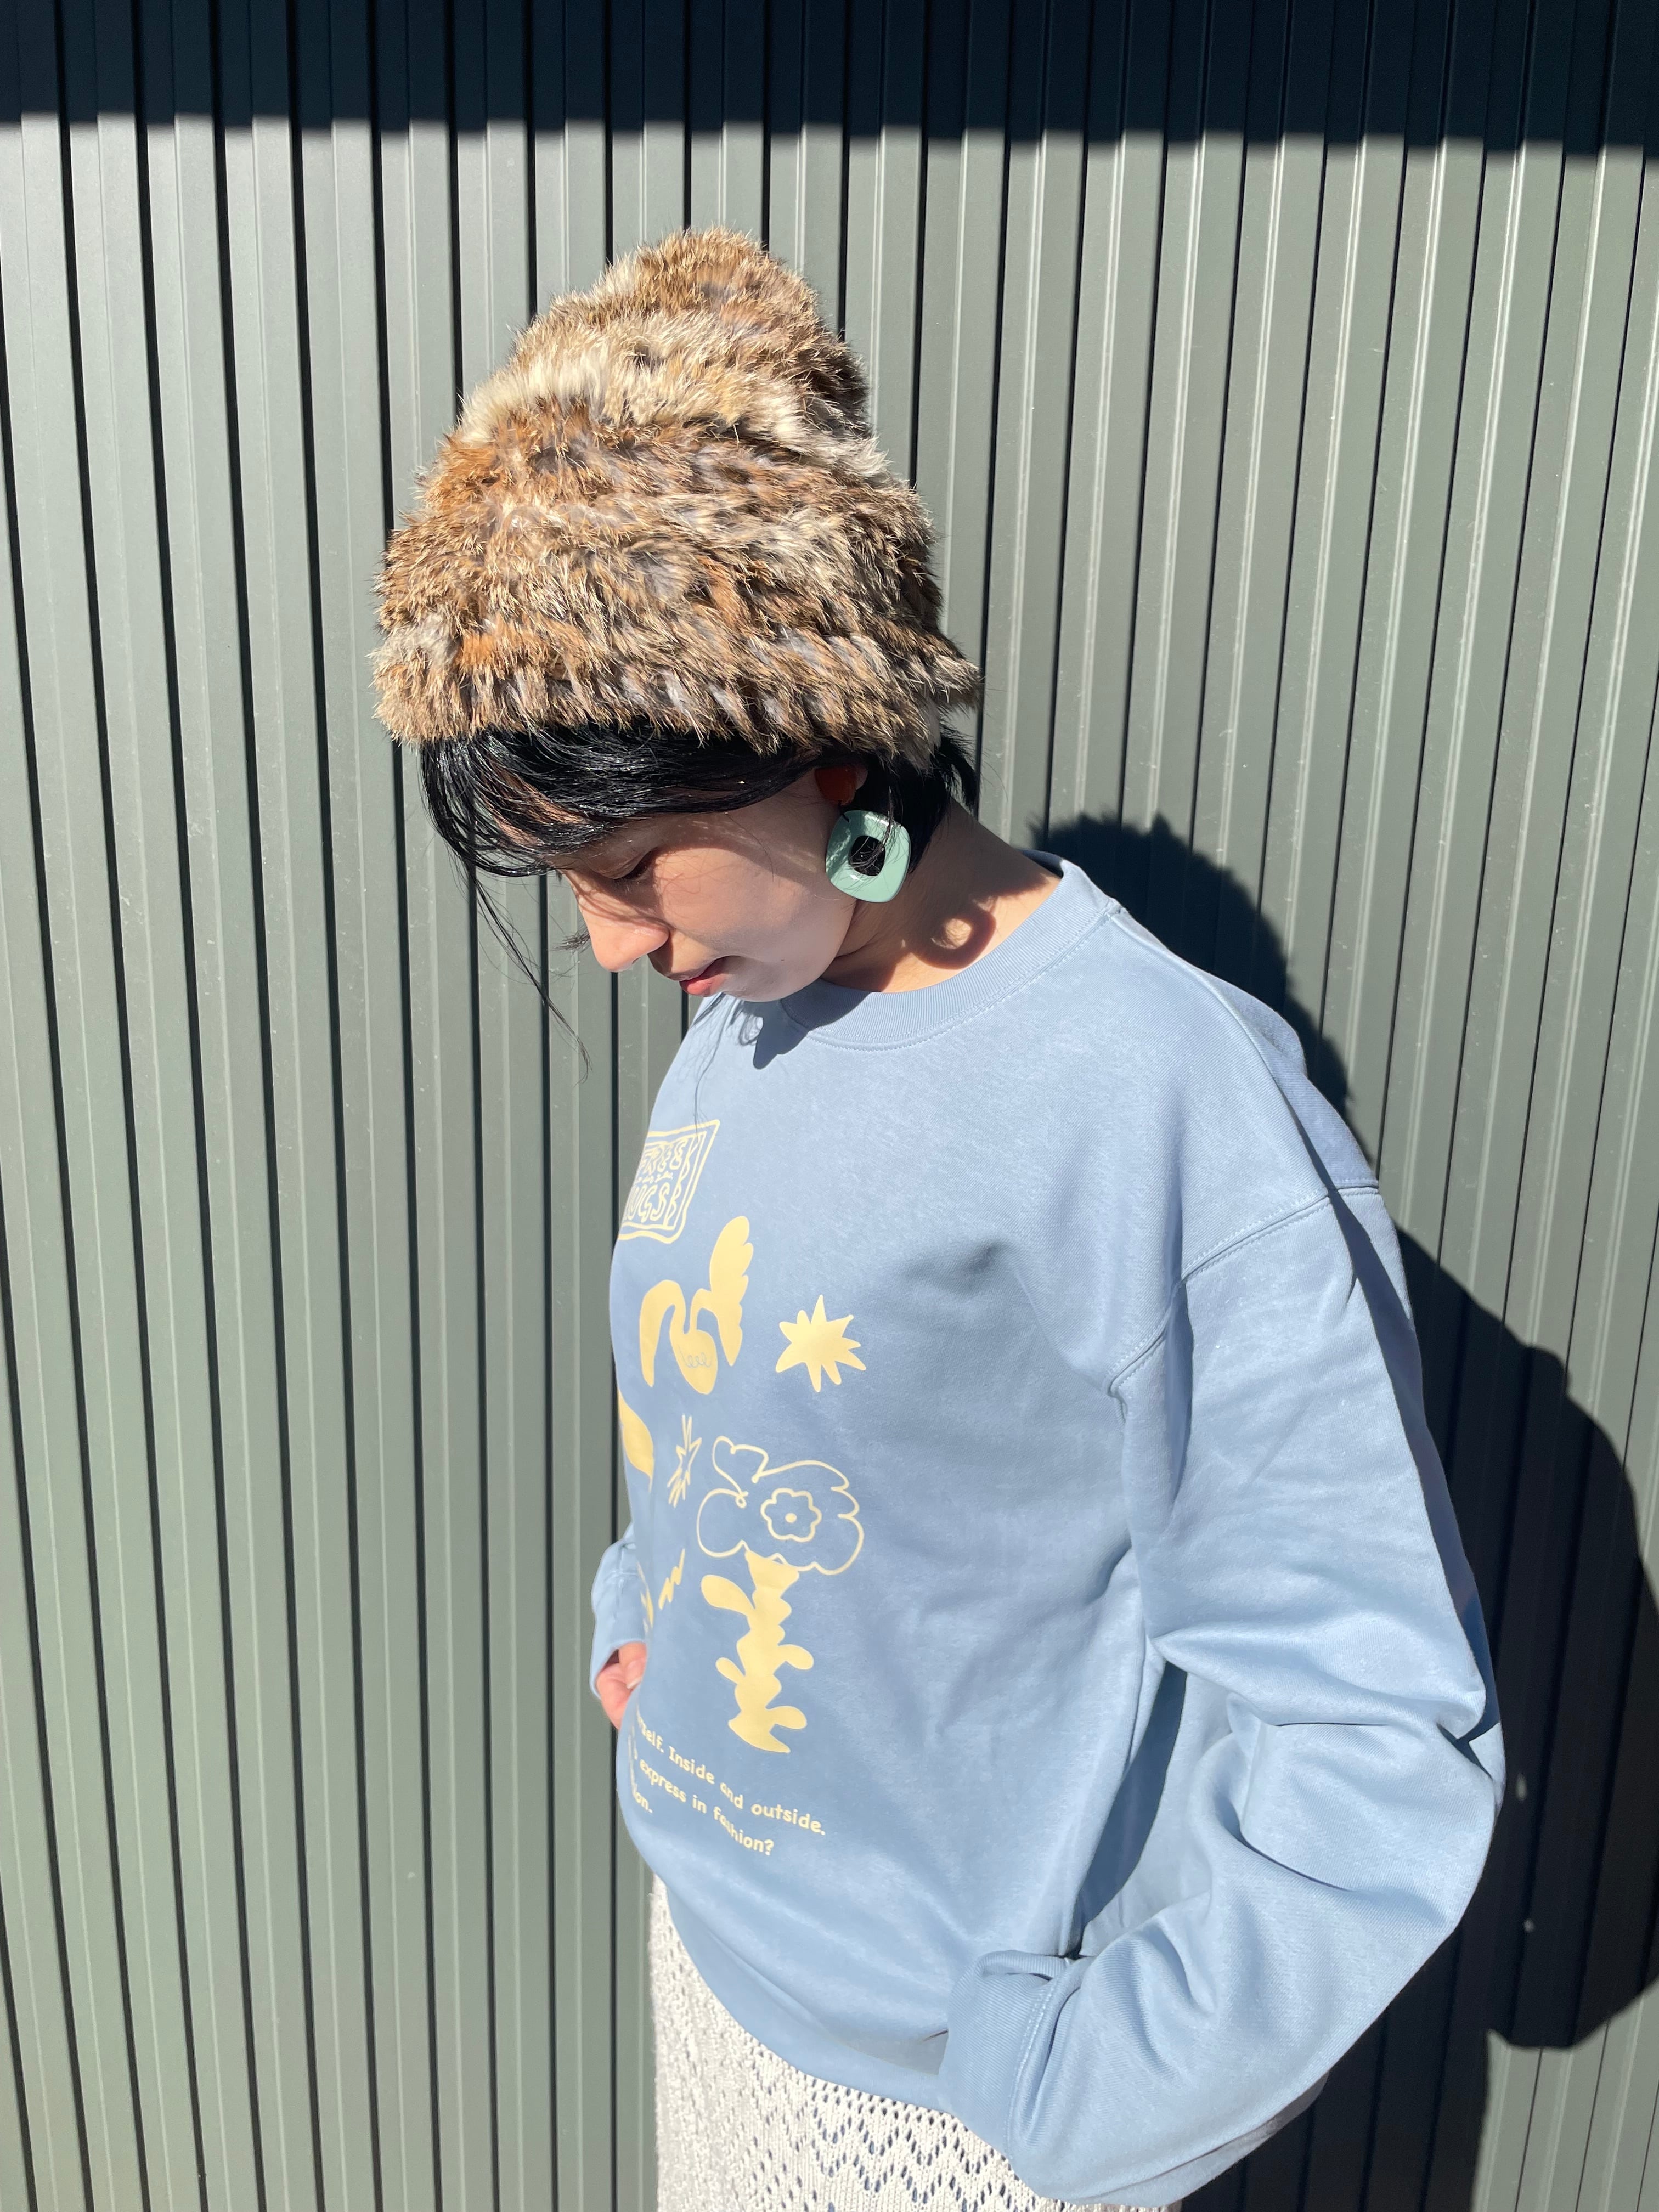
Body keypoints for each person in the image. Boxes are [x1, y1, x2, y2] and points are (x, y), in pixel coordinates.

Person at [373, 227, 1503, 2212]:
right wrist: (645, 1633)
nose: (610, 943)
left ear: (823, 744)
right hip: (720, 1977)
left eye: (632, 865)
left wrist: (1069, 2092)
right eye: (568, 881)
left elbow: (1373, 1718)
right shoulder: (749, 1014)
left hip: (940, 2108)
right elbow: (715, 1402)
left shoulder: (1154, 1094)